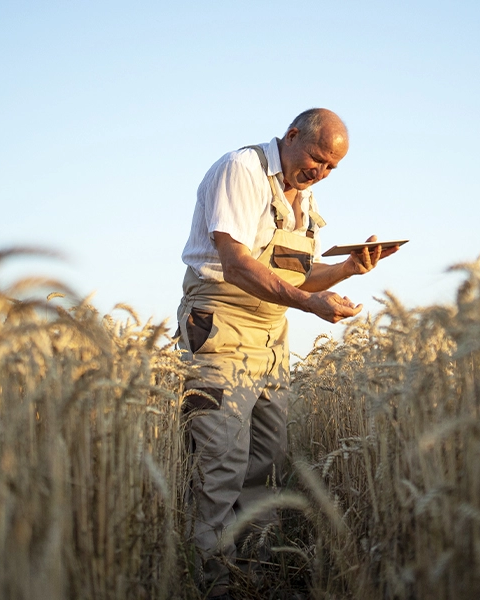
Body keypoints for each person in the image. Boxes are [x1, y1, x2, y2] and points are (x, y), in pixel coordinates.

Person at [176, 108, 397, 598]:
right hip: (221, 326)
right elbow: (235, 263)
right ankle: (216, 586)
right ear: (293, 135)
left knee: (266, 465)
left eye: (331, 168)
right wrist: (309, 305)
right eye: (318, 159)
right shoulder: (243, 169)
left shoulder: (305, 199)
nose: (321, 172)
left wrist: (345, 271)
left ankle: (254, 579)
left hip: (272, 336)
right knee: (220, 467)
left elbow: (297, 276)